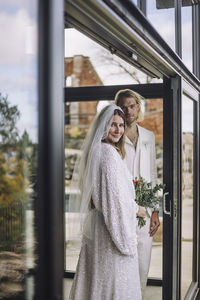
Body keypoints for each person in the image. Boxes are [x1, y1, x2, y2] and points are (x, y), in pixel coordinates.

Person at [68, 104, 144, 300]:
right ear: (103, 126)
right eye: (113, 125)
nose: (118, 130)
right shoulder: (108, 154)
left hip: (98, 227)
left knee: (94, 281)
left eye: (121, 125)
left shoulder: (97, 151)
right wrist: (137, 211)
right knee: (114, 281)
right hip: (110, 233)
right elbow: (114, 201)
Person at [115, 89, 159, 297]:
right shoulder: (114, 136)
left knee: (142, 264)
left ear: (138, 107)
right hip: (123, 210)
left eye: (132, 106)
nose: (128, 110)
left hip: (146, 210)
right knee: (123, 266)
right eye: (124, 107)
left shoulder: (149, 136)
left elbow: (153, 175)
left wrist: (156, 212)